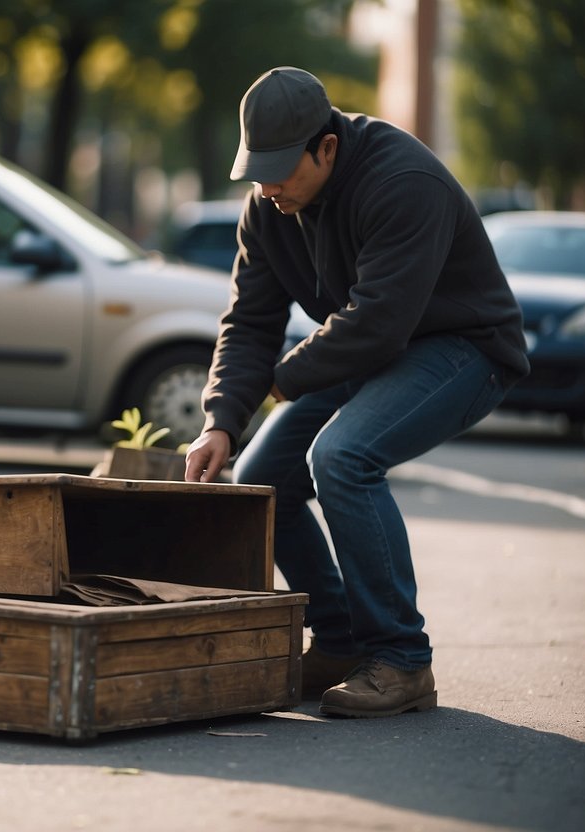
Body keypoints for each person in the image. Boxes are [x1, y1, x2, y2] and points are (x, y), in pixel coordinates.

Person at [184, 67, 529, 718]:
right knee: (262, 481)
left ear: (328, 147)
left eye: (281, 169)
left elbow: (377, 322)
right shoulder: (267, 207)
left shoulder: (402, 183)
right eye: (257, 169)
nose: (268, 186)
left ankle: (401, 660)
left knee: (342, 457)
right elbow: (250, 323)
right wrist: (221, 422)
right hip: (371, 347)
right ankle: (341, 642)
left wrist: (281, 382)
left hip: (463, 347)